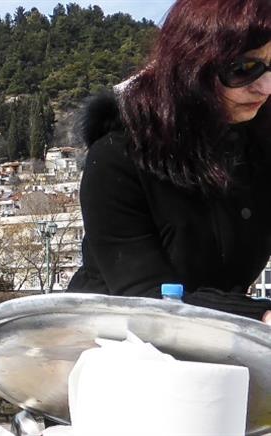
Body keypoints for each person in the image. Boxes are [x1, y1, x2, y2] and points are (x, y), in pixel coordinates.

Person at [68, 0, 271, 325]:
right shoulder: (117, 158)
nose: (265, 87)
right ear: (192, 65)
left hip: (224, 340)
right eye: (244, 69)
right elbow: (144, 297)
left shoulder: (258, 149)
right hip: (111, 338)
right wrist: (259, 314)